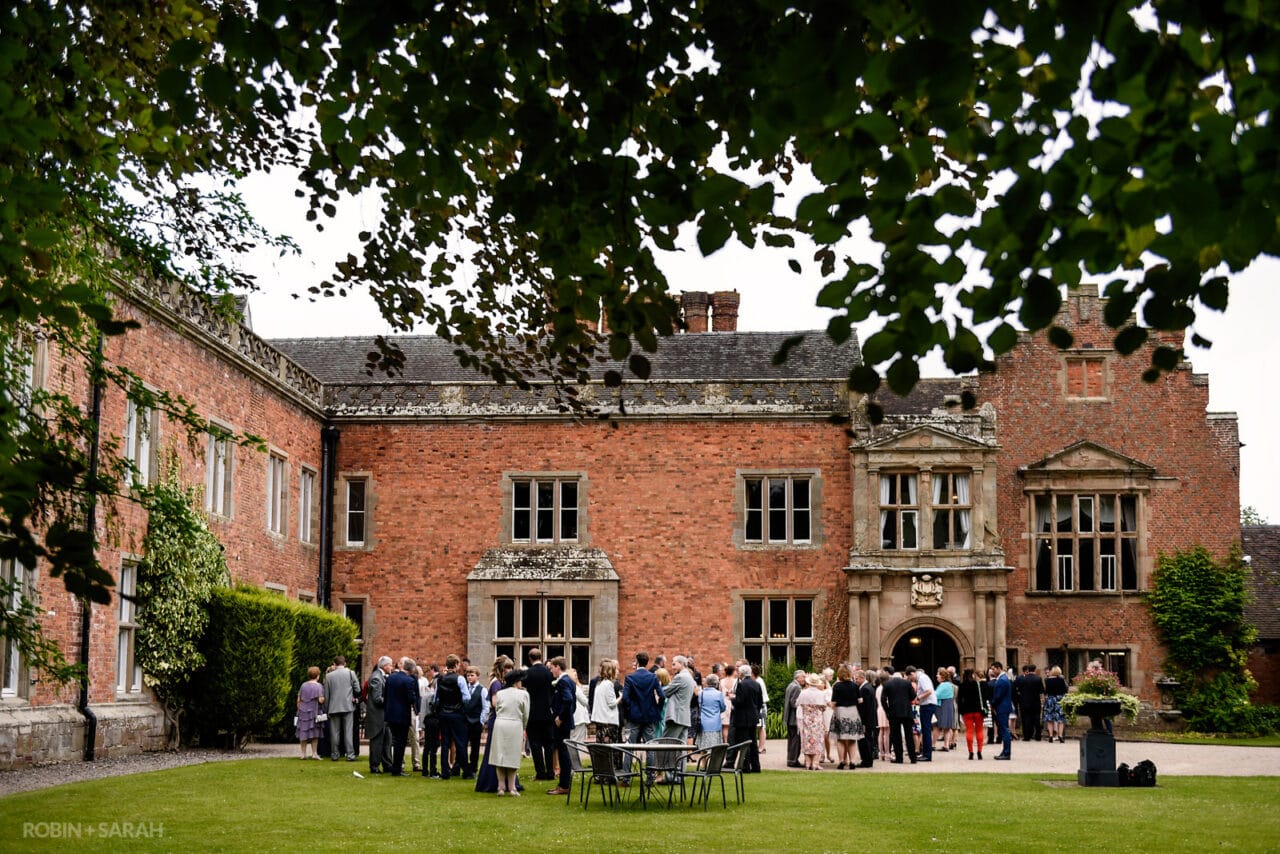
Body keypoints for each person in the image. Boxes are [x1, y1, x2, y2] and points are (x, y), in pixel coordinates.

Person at [475, 656, 516, 793]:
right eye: (507, 668)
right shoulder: (496, 683)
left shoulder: (503, 682)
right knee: (496, 751)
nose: (509, 671)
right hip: (497, 720)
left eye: (511, 668)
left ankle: (507, 783)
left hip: (502, 719)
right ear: (501, 669)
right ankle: (493, 782)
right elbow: (495, 703)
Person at [490, 668, 530, 796]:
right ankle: (512, 788)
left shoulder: (500, 693)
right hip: (515, 724)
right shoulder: (524, 694)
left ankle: (501, 786)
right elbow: (526, 713)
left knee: (499, 755)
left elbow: (497, 709)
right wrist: (523, 726)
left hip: (500, 723)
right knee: (513, 756)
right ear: (516, 682)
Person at [435, 654, 470, 779]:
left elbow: (436, 698)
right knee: (460, 742)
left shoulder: (440, 679)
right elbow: (467, 697)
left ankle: (445, 771)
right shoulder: (460, 679)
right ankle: (466, 771)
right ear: (456, 664)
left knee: (445, 743)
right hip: (457, 713)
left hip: (444, 713)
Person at [384, 657, 421, 776]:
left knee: (395, 741)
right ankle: (397, 769)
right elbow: (411, 699)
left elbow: (386, 695)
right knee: (401, 742)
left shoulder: (390, 678)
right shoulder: (409, 681)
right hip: (402, 715)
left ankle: (397, 767)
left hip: (390, 714)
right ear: (411, 669)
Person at [523, 648, 555, 780]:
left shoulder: (528, 673)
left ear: (530, 658)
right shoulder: (549, 673)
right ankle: (550, 773)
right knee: (548, 745)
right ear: (541, 657)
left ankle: (540, 773)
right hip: (548, 713)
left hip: (533, 713)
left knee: (535, 745)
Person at [546, 656, 576, 796]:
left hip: (562, 723)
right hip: (566, 721)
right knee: (564, 752)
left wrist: (560, 717)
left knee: (563, 753)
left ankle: (564, 785)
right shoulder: (570, 680)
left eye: (552, 668)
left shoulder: (563, 682)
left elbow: (569, 700)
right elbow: (573, 703)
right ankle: (564, 783)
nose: (551, 670)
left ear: (558, 667)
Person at [622, 651, 665, 744]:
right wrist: (657, 709)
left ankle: (628, 759)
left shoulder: (630, 678)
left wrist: (630, 708)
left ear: (637, 662)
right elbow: (662, 696)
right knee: (650, 746)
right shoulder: (653, 677)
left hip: (634, 715)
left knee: (629, 746)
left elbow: (625, 698)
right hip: (650, 714)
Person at [323, 656, 359, 762]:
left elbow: (327, 694)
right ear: (345, 663)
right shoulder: (350, 673)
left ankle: (334, 754)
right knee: (348, 732)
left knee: (334, 732)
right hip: (348, 706)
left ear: (334, 664)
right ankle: (350, 755)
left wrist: (326, 708)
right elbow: (357, 688)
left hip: (333, 706)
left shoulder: (329, 676)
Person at [727, 664, 762, 773]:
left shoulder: (742, 685)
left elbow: (739, 702)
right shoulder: (756, 684)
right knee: (753, 743)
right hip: (753, 717)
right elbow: (760, 702)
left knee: (744, 742)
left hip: (743, 718)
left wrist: (732, 698)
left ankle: (745, 767)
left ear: (741, 673)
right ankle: (756, 766)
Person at [829, 665, 864, 769]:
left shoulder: (837, 686)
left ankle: (841, 761)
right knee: (853, 738)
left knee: (840, 738)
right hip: (853, 711)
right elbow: (860, 700)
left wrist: (830, 705)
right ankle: (852, 761)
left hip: (840, 711)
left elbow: (833, 702)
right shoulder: (854, 685)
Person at [880, 666, 917, 764]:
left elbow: (883, 699)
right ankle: (913, 758)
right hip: (906, 712)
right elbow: (913, 696)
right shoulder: (907, 683)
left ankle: (899, 758)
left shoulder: (887, 684)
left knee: (896, 736)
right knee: (909, 735)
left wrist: (887, 710)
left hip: (894, 713)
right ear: (901, 676)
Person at [365, 656, 394, 774]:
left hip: (383, 716)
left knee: (387, 741)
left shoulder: (381, 676)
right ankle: (374, 766)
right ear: (384, 666)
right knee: (377, 742)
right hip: (377, 716)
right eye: (390, 665)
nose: (391, 667)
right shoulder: (376, 678)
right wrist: (391, 701)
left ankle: (387, 765)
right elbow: (377, 699)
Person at [797, 673, 828, 770]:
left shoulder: (803, 692)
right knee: (817, 740)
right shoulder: (821, 693)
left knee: (806, 739)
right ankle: (815, 763)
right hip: (817, 719)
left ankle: (808, 763)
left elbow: (798, 703)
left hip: (806, 718)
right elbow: (824, 707)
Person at [663, 655, 696, 743]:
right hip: (684, 717)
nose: (672, 667)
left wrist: (655, 687)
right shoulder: (689, 677)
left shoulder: (680, 677)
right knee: (681, 748)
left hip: (676, 717)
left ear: (681, 664)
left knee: (666, 744)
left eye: (674, 664)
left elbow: (665, 692)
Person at [462, 665, 488, 777]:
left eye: (472, 675)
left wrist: (481, 721)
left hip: (476, 721)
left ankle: (473, 767)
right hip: (464, 721)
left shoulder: (482, 690)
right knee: (462, 746)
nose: (469, 677)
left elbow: (485, 707)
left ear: (477, 676)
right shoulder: (464, 689)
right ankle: (463, 767)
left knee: (475, 747)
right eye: (468, 675)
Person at [956, 668, 987, 759]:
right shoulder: (978, 684)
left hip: (967, 711)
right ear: (972, 675)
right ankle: (979, 752)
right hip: (978, 710)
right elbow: (983, 697)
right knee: (979, 731)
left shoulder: (961, 685)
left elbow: (959, 700)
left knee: (969, 731)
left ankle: (970, 752)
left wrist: (961, 711)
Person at [906, 666, 936, 761]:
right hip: (927, 705)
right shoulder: (921, 678)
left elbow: (929, 691)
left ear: (912, 673)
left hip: (928, 705)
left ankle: (927, 755)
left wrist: (917, 698)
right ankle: (926, 753)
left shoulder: (922, 678)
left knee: (926, 730)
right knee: (925, 729)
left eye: (910, 678)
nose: (911, 680)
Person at [296, 666, 326, 760]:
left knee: (303, 732)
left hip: (303, 711)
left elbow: (299, 699)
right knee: (315, 733)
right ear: (317, 676)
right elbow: (321, 700)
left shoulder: (303, 685)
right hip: (314, 711)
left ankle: (303, 754)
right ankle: (314, 753)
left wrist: (299, 709)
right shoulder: (319, 686)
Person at [590, 658, 622, 744]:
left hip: (600, 721)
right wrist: (620, 697)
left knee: (601, 749)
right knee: (610, 752)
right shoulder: (608, 684)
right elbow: (611, 703)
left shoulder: (599, 684)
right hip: (608, 723)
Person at [419, 664, 441, 778]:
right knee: (433, 747)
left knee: (427, 746)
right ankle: (433, 770)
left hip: (427, 721)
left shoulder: (424, 695)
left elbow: (422, 711)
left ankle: (425, 771)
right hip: (434, 721)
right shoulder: (433, 696)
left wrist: (422, 724)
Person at [989, 661, 1014, 760]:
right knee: (1004, 730)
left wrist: (992, 704)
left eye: (993, 669)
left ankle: (1007, 753)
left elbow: (998, 696)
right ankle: (1005, 751)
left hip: (1002, 707)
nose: (992, 671)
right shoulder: (1002, 679)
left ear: (999, 668)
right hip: (1002, 707)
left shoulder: (1002, 680)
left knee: (1004, 730)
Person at [854, 668, 878, 767]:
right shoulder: (868, 687)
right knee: (866, 740)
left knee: (865, 741)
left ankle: (867, 761)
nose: (855, 681)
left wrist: (862, 722)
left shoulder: (865, 689)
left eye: (857, 679)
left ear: (862, 678)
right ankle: (866, 760)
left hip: (866, 720)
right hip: (868, 719)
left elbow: (865, 708)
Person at [696, 673, 726, 749]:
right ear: (716, 683)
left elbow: (700, 706)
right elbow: (723, 708)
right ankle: (713, 761)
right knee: (715, 747)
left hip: (703, 723)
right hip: (715, 724)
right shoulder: (719, 694)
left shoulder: (701, 693)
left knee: (703, 747)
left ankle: (704, 761)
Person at [1017, 664, 1045, 741]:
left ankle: (1027, 736)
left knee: (1026, 719)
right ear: (1035, 670)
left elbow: (1019, 690)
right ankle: (1038, 736)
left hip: (1025, 702)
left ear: (1028, 670)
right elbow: (1041, 691)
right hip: (1036, 702)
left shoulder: (1023, 679)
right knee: (1036, 719)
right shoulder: (1038, 679)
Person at [1042, 665, 1069, 743]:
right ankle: (1060, 735)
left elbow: (1046, 691)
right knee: (1061, 718)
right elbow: (1065, 690)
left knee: (1050, 718)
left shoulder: (1047, 680)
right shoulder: (1061, 680)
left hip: (1050, 699)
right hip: (1059, 699)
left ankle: (1050, 736)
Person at [784, 669, 805, 768]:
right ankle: (793, 760)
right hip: (794, 719)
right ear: (798, 677)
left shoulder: (791, 685)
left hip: (789, 718)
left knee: (792, 740)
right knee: (795, 741)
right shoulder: (796, 687)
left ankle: (790, 759)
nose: (804, 678)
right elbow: (793, 703)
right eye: (803, 676)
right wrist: (803, 705)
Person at [934, 667, 956, 751]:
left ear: (942, 676)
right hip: (948, 706)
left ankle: (933, 745)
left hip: (942, 706)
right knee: (947, 727)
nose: (936, 676)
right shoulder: (949, 684)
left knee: (937, 727)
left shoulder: (943, 685)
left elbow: (936, 695)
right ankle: (946, 745)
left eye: (938, 674)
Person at [570, 668, 590, 744]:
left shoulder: (572, 687)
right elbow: (585, 701)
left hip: (575, 718)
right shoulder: (575, 688)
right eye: (575, 675)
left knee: (574, 739)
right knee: (578, 741)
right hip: (579, 718)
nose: (576, 677)